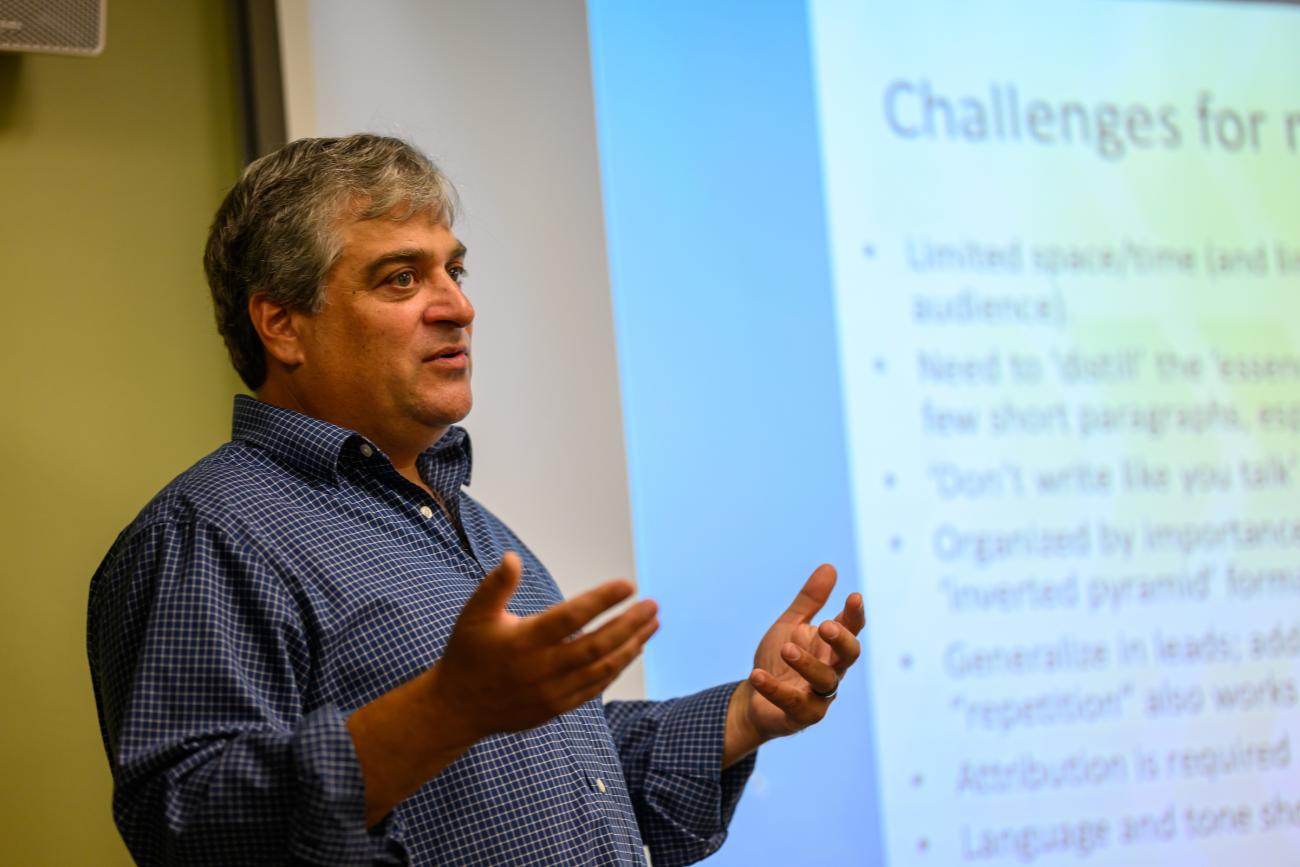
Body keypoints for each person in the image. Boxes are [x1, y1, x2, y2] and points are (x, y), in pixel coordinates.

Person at [87, 134, 863, 866]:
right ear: (283, 324)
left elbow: (559, 773)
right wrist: (443, 711)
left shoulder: (473, 526)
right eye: (401, 277)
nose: (457, 305)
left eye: (453, 270)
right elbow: (185, 824)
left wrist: (746, 714)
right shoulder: (208, 532)